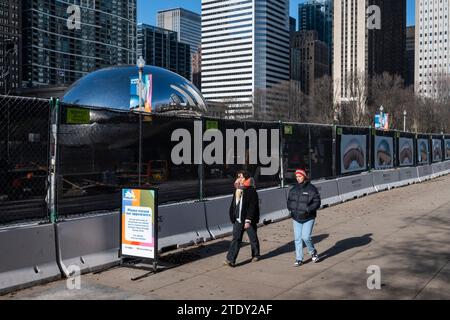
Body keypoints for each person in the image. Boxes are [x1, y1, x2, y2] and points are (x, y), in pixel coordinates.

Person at [224, 170, 260, 267]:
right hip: (238, 219)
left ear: (246, 178)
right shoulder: (237, 189)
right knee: (236, 239)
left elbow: (253, 206)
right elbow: (234, 204)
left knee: (252, 238)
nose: (239, 179)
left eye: (241, 177)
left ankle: (255, 254)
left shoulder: (251, 190)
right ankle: (230, 259)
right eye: (238, 177)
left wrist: (248, 220)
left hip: (248, 219)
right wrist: (232, 215)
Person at [287, 168, 321, 267]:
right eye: (296, 177)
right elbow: (289, 201)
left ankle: (313, 252)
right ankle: (299, 259)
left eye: (300, 176)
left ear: (304, 176)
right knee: (297, 239)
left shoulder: (311, 188)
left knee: (306, 237)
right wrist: (291, 209)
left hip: (308, 217)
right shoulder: (293, 189)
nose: (298, 178)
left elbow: (317, 202)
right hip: (296, 217)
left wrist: (308, 209)